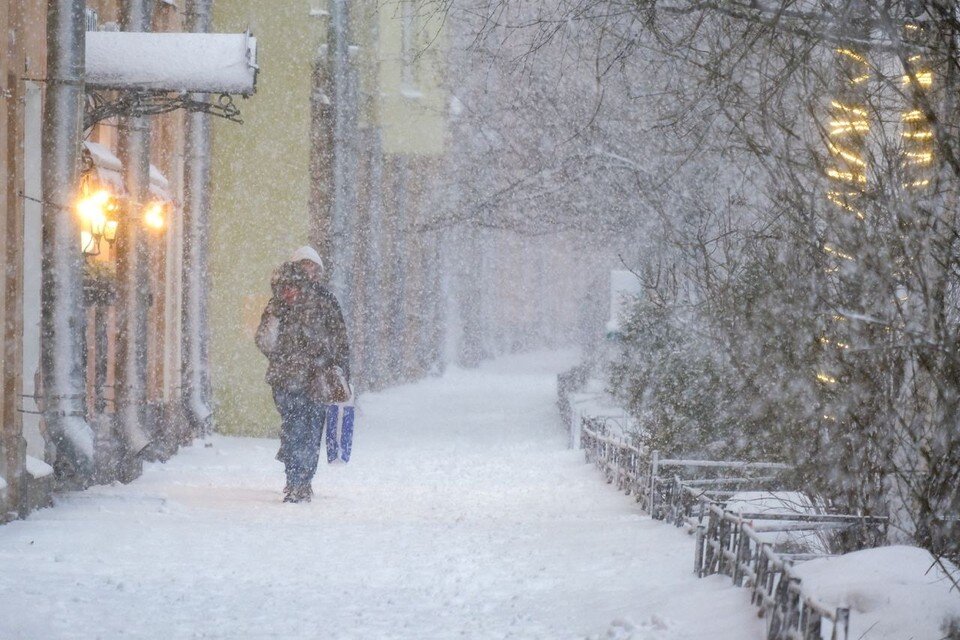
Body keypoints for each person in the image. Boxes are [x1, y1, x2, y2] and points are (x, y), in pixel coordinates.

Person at [255, 248, 351, 503]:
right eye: (304, 267)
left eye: (313, 268)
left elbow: (339, 341)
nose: (309, 273)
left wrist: (339, 372)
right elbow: (265, 341)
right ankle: (297, 480)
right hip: (290, 381)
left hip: (313, 381)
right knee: (297, 430)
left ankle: (302, 480)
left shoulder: (322, 301)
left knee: (307, 432)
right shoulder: (280, 305)